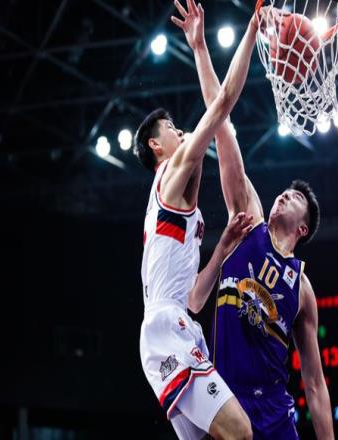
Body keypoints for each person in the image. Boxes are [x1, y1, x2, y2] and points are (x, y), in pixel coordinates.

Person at [172, 1, 334, 439]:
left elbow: (315, 384)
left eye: (295, 197)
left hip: (276, 413)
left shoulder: (302, 288)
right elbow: (221, 121)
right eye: (286, 190)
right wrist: (199, 48)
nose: (284, 194)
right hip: (227, 402)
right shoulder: (249, 222)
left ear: (302, 228)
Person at [134, 1, 261, 438]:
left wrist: (222, 247)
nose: (179, 130)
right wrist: (246, 31)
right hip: (167, 328)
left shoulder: (177, 204)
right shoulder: (170, 174)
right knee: (241, 432)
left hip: (175, 323)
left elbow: (194, 298)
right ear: (157, 146)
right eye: (171, 128)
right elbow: (222, 104)